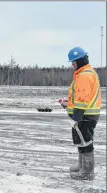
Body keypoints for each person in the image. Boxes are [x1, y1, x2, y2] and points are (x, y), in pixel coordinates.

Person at [64, 47, 101, 180]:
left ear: (80, 60)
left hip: (85, 115)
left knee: (85, 143)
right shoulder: (85, 73)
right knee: (81, 141)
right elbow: (79, 97)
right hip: (85, 114)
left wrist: (76, 117)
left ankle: (87, 172)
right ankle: (82, 167)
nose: (72, 65)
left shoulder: (84, 75)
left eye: (74, 62)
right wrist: (67, 104)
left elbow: (81, 99)